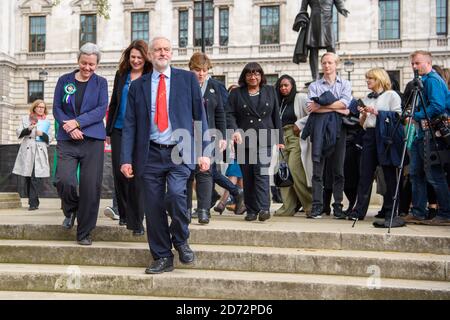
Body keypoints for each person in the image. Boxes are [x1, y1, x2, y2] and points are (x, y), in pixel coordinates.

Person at [120, 37, 210, 274]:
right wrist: (126, 159)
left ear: (172, 53)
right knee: (153, 206)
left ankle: (180, 239)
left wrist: (204, 152)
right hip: (149, 154)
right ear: (150, 54)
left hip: (179, 152)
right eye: (157, 49)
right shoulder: (138, 85)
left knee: (177, 198)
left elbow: (199, 116)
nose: (162, 53)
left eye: (166, 49)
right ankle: (162, 256)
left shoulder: (187, 79)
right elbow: (129, 124)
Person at [53, 43, 108, 246]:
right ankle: (71, 209)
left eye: (91, 64)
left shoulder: (101, 83)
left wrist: (78, 122)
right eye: (84, 63)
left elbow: (101, 109)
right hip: (67, 139)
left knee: (90, 187)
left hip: (92, 140)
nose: (87, 68)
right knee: (64, 180)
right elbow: (57, 108)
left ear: (97, 64)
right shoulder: (64, 80)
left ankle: (84, 232)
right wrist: (69, 127)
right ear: (78, 61)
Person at [347, 68, 405, 228]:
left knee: (388, 174)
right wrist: (364, 114)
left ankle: (390, 211)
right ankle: (359, 211)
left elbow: (399, 117)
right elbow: (362, 124)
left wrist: (377, 112)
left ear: (379, 79)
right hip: (369, 136)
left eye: (370, 79)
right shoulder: (366, 97)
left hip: (386, 136)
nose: (367, 81)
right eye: (367, 79)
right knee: (364, 174)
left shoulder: (391, 95)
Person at [226, 62, 284, 222]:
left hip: (265, 137)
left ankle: (264, 208)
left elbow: (276, 116)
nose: (253, 77)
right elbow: (229, 114)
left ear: (261, 76)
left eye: (257, 74)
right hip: (244, 139)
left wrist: (279, 139)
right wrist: (235, 130)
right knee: (248, 175)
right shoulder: (236, 93)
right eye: (250, 74)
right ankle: (251, 209)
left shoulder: (270, 91)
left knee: (261, 172)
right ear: (245, 76)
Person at [105, 40, 152, 235]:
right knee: (120, 174)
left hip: (140, 132)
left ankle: (137, 220)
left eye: (139, 57)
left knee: (137, 176)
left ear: (145, 58)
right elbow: (114, 102)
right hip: (119, 129)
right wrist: (108, 131)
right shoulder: (121, 75)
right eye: (133, 57)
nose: (135, 60)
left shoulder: (150, 76)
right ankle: (123, 213)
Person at [402, 51, 450, 226]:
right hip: (422, 134)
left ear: (428, 63)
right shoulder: (424, 81)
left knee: (434, 175)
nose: (414, 66)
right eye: (412, 64)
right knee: (416, 173)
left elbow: (438, 106)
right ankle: (418, 212)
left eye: (417, 63)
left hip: (432, 134)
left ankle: (445, 213)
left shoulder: (433, 81)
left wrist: (416, 115)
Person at [301, 52, 351, 219]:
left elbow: (346, 104)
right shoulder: (314, 86)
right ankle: (317, 206)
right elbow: (310, 107)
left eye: (330, 63)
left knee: (338, 170)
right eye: (324, 63)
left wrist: (322, 105)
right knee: (318, 170)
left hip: (338, 129)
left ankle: (338, 206)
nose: (327, 66)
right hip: (319, 130)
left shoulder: (345, 84)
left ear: (336, 64)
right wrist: (337, 107)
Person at [186, 52, 232, 224]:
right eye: (197, 70)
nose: (201, 74)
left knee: (205, 172)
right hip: (187, 135)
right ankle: (186, 209)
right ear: (191, 69)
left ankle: (204, 210)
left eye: (204, 70)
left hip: (209, 135)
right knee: (187, 173)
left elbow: (221, 112)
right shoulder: (184, 84)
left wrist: (223, 135)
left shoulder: (215, 86)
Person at [273, 75, 313, 216]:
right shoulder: (277, 100)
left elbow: (313, 113)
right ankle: (288, 207)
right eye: (281, 86)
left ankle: (310, 205)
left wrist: (299, 124)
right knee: (283, 172)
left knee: (295, 170)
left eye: (286, 85)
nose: (283, 88)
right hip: (281, 138)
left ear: (292, 86)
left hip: (295, 136)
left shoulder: (300, 98)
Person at [294, 0, 349, 81]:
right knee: (313, 49)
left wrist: (342, 8)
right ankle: (315, 77)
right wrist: (302, 20)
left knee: (331, 49)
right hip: (314, 23)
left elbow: (339, 2)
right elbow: (303, 9)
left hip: (327, 23)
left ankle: (333, 76)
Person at [12, 99, 51, 210]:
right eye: (38, 106)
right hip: (28, 150)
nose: (40, 109)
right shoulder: (25, 119)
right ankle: (34, 200)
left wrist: (42, 134)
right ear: (34, 107)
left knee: (35, 177)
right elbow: (18, 132)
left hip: (39, 151)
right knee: (28, 177)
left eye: (42, 107)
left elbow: (51, 137)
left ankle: (33, 203)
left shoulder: (47, 122)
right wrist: (28, 129)